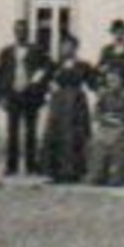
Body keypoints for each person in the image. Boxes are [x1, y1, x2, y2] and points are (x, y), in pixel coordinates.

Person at [0, 20, 50, 177]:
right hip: (13, 95)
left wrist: (36, 82)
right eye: (18, 31)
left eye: (24, 31)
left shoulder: (37, 50)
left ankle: (31, 165)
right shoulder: (6, 52)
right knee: (12, 131)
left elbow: (46, 68)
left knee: (30, 132)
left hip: (30, 95)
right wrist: (2, 96)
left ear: (28, 32)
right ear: (14, 33)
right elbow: (0, 75)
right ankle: (11, 166)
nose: (21, 34)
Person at [41, 35, 93, 183]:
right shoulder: (54, 65)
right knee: (56, 135)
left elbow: (93, 82)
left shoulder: (83, 65)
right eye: (63, 45)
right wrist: (49, 88)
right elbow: (43, 80)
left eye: (69, 46)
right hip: (58, 104)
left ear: (75, 48)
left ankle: (74, 172)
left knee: (74, 136)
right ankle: (55, 172)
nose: (65, 49)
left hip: (76, 104)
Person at [87, 67, 124, 186]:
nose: (112, 84)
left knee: (119, 143)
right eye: (110, 81)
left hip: (122, 127)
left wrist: (117, 118)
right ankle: (98, 173)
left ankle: (117, 174)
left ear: (121, 81)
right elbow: (97, 112)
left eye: (115, 80)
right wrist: (105, 118)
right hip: (106, 127)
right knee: (97, 143)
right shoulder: (104, 95)